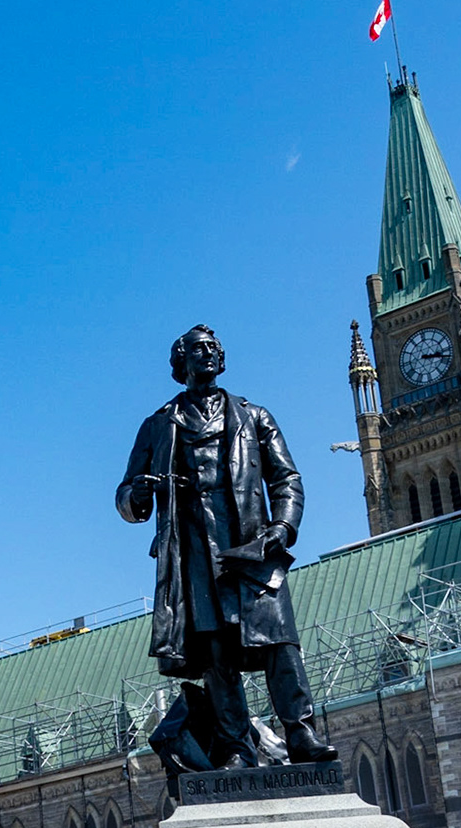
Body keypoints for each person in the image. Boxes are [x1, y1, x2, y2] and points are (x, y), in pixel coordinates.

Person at [116, 325, 336, 767]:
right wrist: (137, 493)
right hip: (195, 553)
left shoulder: (254, 417)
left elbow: (286, 479)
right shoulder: (159, 425)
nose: (210, 354)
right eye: (200, 349)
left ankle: (301, 733)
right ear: (182, 362)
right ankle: (237, 746)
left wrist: (283, 527)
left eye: (215, 348)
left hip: (253, 547)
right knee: (216, 654)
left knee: (279, 643)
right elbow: (125, 498)